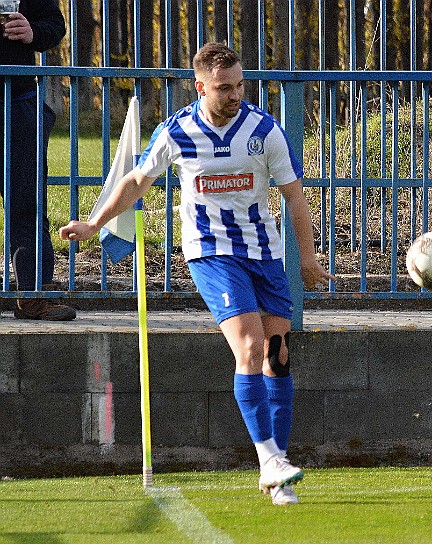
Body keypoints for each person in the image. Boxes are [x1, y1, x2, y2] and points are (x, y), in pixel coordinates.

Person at [59, 42, 334, 505]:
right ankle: (269, 459)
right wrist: (95, 223)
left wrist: (306, 259)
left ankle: (277, 470)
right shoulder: (177, 131)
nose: (235, 95)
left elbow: (295, 197)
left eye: (240, 85)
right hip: (210, 253)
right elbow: (134, 181)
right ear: (200, 86)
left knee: (277, 355)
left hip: (264, 253)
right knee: (247, 346)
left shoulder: (265, 131)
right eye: (225, 88)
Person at [1, 0, 74, 320]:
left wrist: (32, 33)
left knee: (27, 201)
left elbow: (55, 26)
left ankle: (34, 296)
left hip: (19, 102)